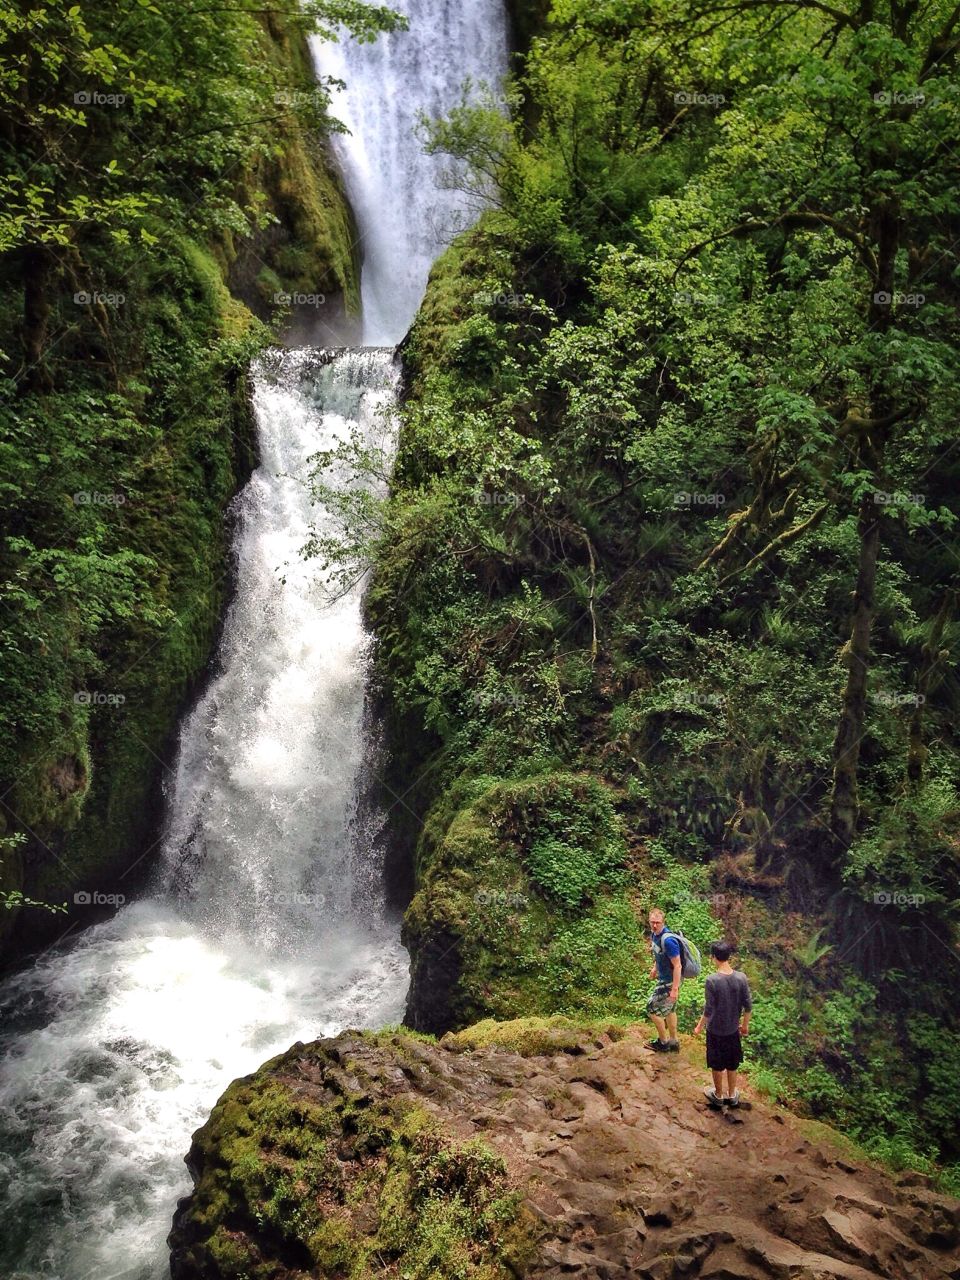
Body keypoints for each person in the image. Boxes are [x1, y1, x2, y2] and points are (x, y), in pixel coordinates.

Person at [693, 939, 752, 1106]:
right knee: (732, 1062)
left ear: (713, 957)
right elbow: (748, 1006)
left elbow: (709, 1010)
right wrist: (745, 1026)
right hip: (733, 1029)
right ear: (729, 957)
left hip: (716, 1031)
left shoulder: (712, 980)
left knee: (717, 1063)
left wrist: (699, 1027)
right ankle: (732, 1095)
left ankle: (718, 1095)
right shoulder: (741, 978)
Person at [645, 907, 682, 1052]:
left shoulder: (669, 941)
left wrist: (674, 989)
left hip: (670, 982)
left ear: (663, 922)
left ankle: (663, 1042)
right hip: (665, 979)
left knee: (651, 1009)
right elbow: (658, 954)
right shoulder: (655, 935)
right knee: (669, 1010)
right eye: (652, 922)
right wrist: (655, 968)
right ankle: (674, 1042)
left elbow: (678, 966)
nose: (655, 925)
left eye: (658, 923)